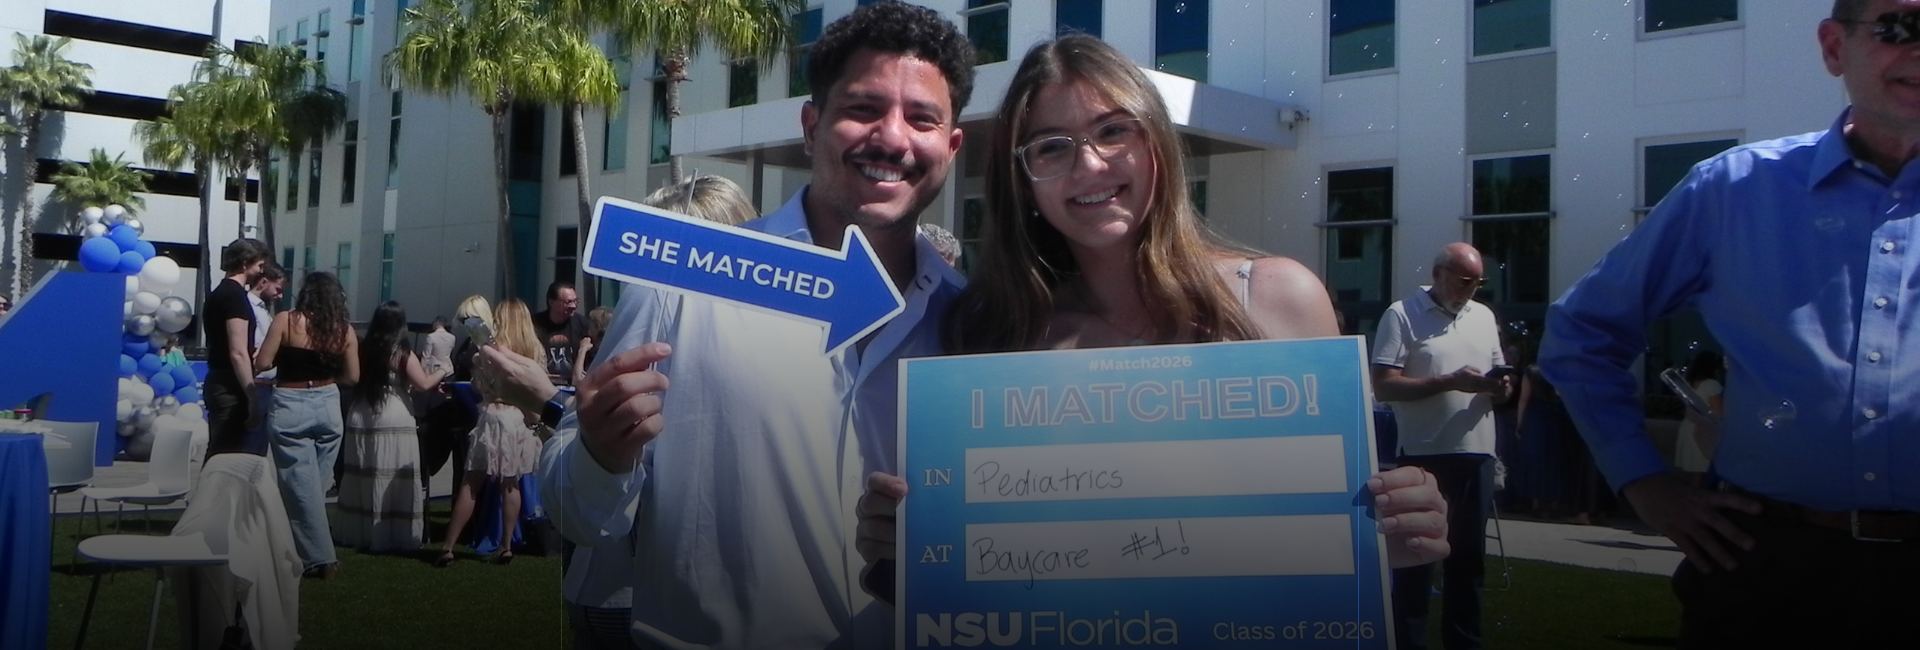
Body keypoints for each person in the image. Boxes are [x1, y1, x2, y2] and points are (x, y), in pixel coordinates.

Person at [911, 30, 1446, 566]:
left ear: (1157, 145)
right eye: (1051, 147)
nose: (1091, 165)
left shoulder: (1280, 298)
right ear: (1023, 182)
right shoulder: (998, 339)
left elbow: (1341, 535)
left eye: (1114, 130)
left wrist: (1397, 527)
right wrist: (916, 548)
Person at [540, 3, 976, 647]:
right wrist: (601, 457)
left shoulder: (975, 327)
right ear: (810, 125)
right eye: (862, 108)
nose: (893, 137)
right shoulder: (680, 286)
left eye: (922, 118)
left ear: (951, 144)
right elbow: (577, 513)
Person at [1541, 5, 1920, 647]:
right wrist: (1646, 481)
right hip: (1769, 571)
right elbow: (1582, 334)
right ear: (1834, 47)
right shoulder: (1735, 190)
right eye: (1898, 28)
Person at [1371, 243, 1511, 650]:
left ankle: (1465, 644)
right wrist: (1449, 381)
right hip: (1423, 454)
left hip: (1476, 452)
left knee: (1468, 565)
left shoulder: (1483, 316)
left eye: (1478, 282)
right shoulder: (1402, 314)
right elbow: (1384, 384)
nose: (1470, 290)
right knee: (1416, 562)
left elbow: (1498, 378)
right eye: (1464, 281)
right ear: (1438, 274)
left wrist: (1500, 387)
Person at [253, 271, 360, 580]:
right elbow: (353, 377)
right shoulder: (344, 331)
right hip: (328, 402)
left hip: (291, 399)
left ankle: (321, 560)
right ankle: (297, 550)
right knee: (312, 486)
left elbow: (263, 363)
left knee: (301, 487)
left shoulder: (286, 320)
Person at [437, 297, 543, 567]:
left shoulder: (490, 349)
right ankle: (506, 545)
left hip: (493, 414)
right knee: (511, 483)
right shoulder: (534, 349)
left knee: (471, 483)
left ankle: (448, 546)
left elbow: (477, 385)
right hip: (519, 418)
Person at [339, 301, 447, 553]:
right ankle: (393, 533)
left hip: (362, 412)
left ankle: (361, 530)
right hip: (393, 414)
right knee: (392, 475)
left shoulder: (363, 348)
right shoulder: (401, 353)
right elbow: (422, 383)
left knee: (364, 474)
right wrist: (443, 370)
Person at [202, 238, 271, 457]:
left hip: (218, 380)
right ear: (244, 263)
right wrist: (251, 396)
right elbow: (238, 352)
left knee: (221, 451)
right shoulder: (234, 298)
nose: (261, 272)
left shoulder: (218, 294)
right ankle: (212, 492)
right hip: (230, 386)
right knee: (225, 455)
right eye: (259, 266)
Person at [1671, 350, 1724, 485]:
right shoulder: (1711, 385)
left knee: (1694, 473)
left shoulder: (1688, 383)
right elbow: (1718, 412)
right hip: (1702, 430)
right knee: (1701, 473)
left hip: (1688, 427)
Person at [532, 281, 588, 382]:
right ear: (551, 302)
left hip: (572, 386)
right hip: (543, 384)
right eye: (568, 302)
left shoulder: (582, 324)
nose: (573, 306)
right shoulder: (534, 324)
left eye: (575, 301)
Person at [571, 306, 613, 388]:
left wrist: (582, 350)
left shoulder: (599, 348)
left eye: (590, 324)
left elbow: (577, 380)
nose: (588, 328)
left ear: (597, 326)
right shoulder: (613, 343)